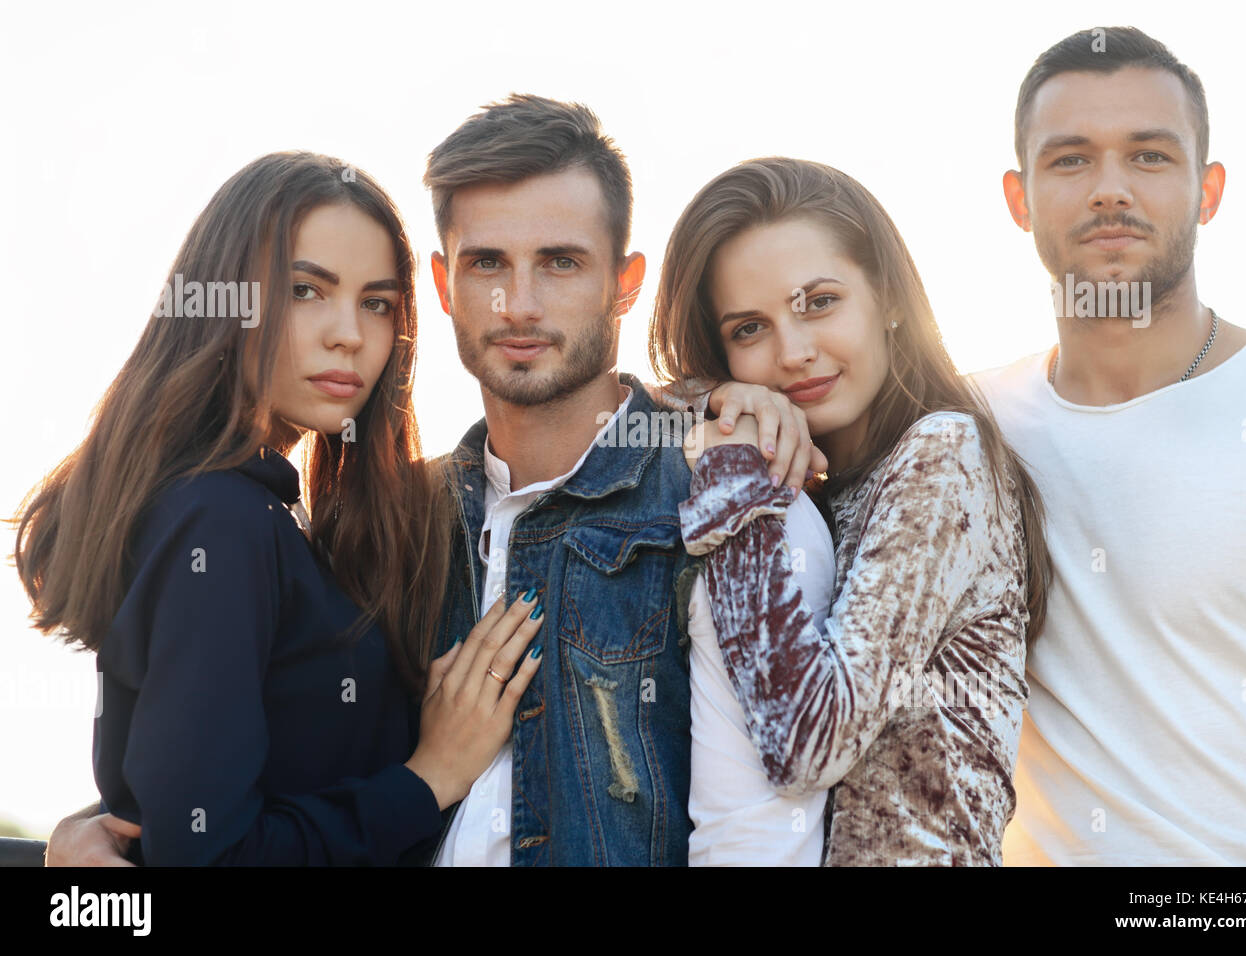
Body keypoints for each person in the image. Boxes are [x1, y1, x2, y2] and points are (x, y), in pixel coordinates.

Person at [17, 151, 542, 865]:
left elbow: (191, 790)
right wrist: (429, 778)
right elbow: (214, 854)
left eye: (378, 303)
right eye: (305, 290)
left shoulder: (254, 508)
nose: (349, 334)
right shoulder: (221, 520)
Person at [418, 95, 820, 867]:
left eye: (561, 262)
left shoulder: (722, 493)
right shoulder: (396, 521)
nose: (520, 304)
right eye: (487, 263)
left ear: (625, 283)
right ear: (444, 284)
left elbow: (759, 842)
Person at [649, 156, 1053, 865]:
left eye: (820, 301)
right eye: (750, 329)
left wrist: (735, 464)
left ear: (888, 296)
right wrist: (713, 402)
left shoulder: (942, 453)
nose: (794, 352)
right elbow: (631, 409)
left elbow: (808, 742)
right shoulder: (822, 480)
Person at [974, 27, 1246, 865]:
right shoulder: (967, 427)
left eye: (1150, 157)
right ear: (1019, 198)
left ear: (1208, 189)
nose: (1110, 190)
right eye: (1071, 160)